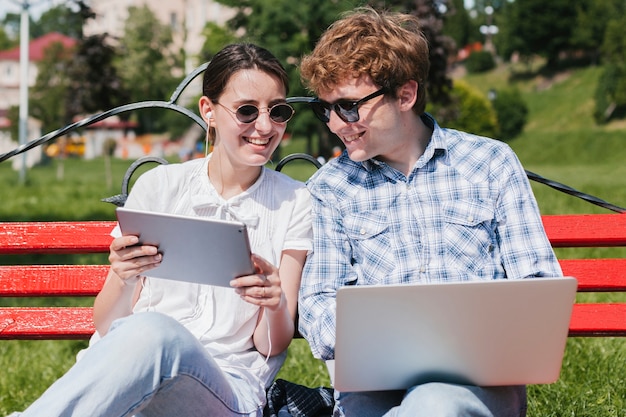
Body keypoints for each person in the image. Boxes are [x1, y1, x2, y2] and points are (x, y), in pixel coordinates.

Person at [8, 43, 312, 417]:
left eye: (277, 111)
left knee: (155, 332)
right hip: (133, 369)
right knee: (150, 332)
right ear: (209, 111)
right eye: (247, 111)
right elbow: (107, 323)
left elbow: (272, 344)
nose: (265, 127)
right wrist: (124, 277)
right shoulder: (159, 187)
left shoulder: (295, 202)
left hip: (224, 388)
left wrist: (275, 301)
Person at [297, 7, 562, 417]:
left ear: (405, 95)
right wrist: (367, 342)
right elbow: (317, 300)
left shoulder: (489, 163)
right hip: (371, 390)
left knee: (433, 403)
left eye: (349, 107)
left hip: (477, 386)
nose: (335, 123)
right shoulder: (330, 188)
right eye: (326, 108)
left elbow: (538, 284)